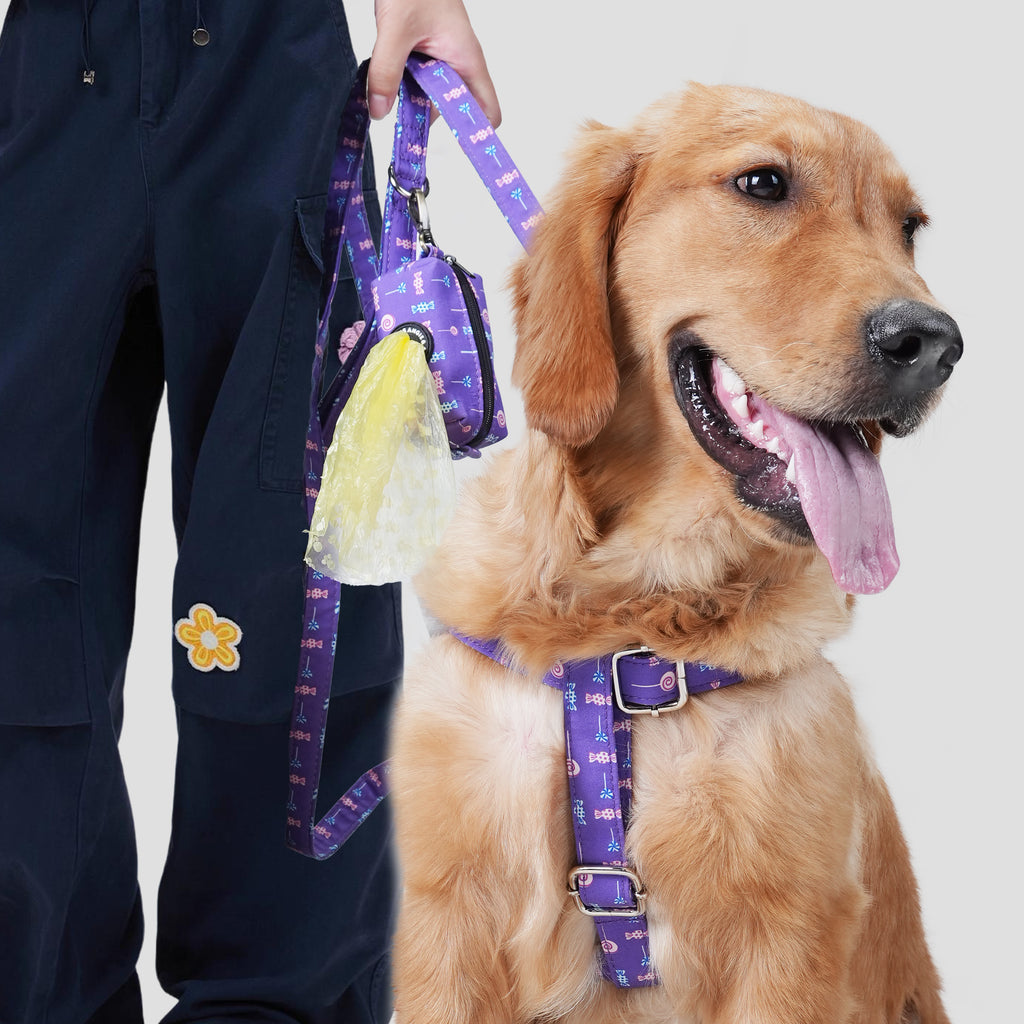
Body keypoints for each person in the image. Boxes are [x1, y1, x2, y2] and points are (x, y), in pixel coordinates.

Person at [0, 1, 498, 1021]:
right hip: (49, 63)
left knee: (295, 566)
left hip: (272, 68)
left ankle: (279, 1005)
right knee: (13, 590)